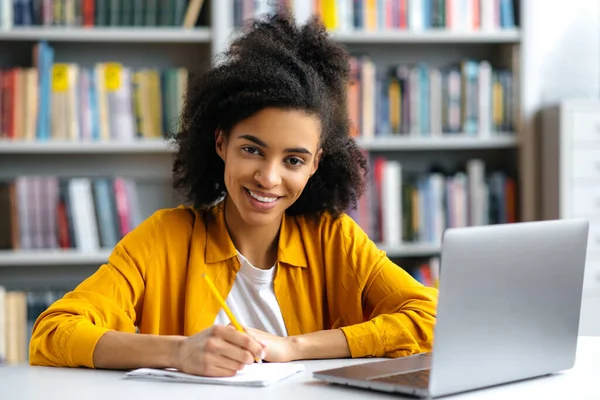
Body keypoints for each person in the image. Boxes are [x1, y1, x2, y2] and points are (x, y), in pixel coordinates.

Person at [29, 11, 438, 378]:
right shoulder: (164, 239)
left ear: (315, 164)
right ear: (221, 143)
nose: (268, 177)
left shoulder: (334, 239)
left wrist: (295, 347)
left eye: (293, 160)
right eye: (252, 150)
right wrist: (179, 351)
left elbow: (434, 317)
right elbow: (53, 332)